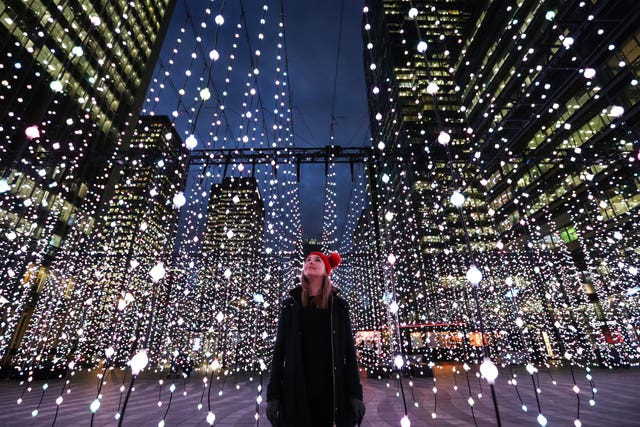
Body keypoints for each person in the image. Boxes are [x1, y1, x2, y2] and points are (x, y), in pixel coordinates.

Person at [266, 251, 365, 426]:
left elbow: (349, 353)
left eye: (317, 260)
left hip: (332, 394)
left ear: (326, 271)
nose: (310, 262)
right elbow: (278, 353)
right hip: (296, 391)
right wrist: (273, 396)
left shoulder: (339, 307)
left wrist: (355, 394)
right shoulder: (290, 306)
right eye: (308, 260)